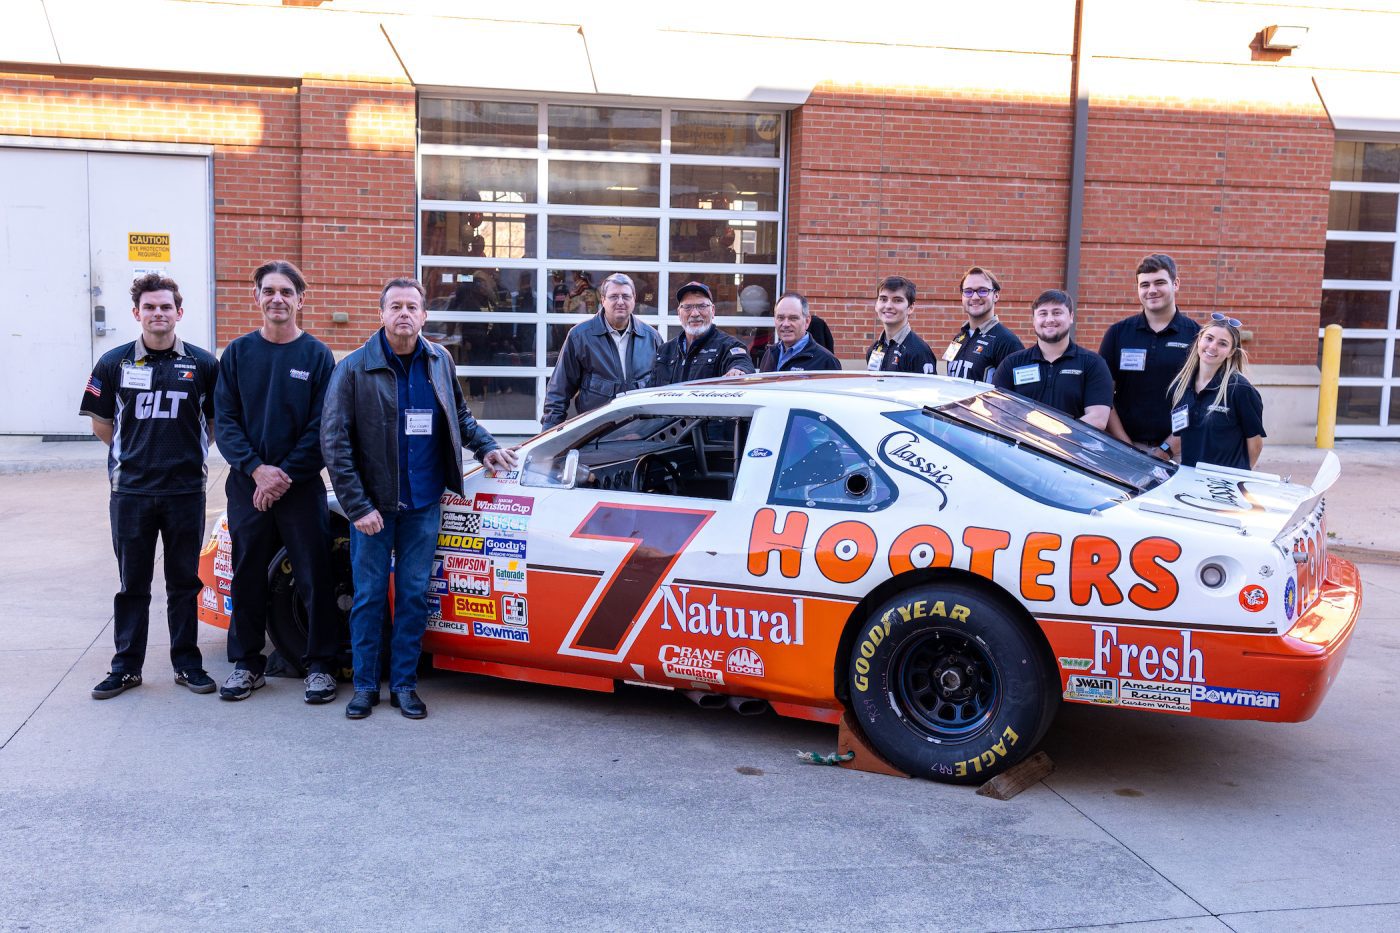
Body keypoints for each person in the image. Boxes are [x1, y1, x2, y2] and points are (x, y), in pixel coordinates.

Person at [322, 278, 519, 720]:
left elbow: (461, 417)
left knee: (412, 596)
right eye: (396, 306)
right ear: (382, 313)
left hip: (424, 504)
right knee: (369, 597)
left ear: (425, 315)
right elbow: (335, 444)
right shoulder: (353, 369)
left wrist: (486, 446)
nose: (404, 314)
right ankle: (366, 686)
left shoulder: (440, 360)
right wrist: (357, 507)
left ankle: (405, 686)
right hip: (373, 509)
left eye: (412, 306)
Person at [80, 274, 220, 700]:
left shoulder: (202, 364)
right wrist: (136, 455)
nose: (157, 314)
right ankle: (125, 667)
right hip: (131, 492)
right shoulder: (113, 363)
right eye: (149, 307)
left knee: (183, 583)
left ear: (179, 312)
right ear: (136, 313)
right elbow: (102, 424)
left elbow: (213, 425)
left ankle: (186, 664)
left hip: (184, 492)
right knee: (133, 584)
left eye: (165, 307)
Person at [214, 260, 339, 704]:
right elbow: (224, 422)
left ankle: (319, 665)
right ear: (257, 298)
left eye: (287, 292)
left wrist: (283, 474)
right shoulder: (237, 354)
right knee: (246, 573)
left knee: (312, 573)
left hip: (300, 486)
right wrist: (257, 470)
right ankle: (247, 664)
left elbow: (323, 427)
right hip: (248, 485)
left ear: (301, 300)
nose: (277, 299)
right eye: (269, 291)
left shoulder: (318, 357)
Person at [1099, 254, 1201, 455]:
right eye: (1144, 285)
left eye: (1160, 282)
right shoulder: (1117, 333)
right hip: (1123, 450)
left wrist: (1166, 450)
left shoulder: (1196, 335)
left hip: (1179, 451)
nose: (1151, 290)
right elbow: (1103, 397)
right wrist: (1125, 446)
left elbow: (1200, 400)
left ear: (1176, 284)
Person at [541, 272, 662, 428]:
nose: (620, 302)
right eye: (613, 296)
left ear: (634, 299)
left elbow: (662, 389)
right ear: (603, 299)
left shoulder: (651, 338)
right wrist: (549, 435)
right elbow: (559, 391)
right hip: (595, 434)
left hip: (639, 432)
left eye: (626, 296)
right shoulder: (580, 336)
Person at [992, 290, 1113, 429]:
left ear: (1071, 317)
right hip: (1021, 448)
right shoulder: (1012, 364)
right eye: (1043, 313)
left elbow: (1097, 419)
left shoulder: (1092, 364)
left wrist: (1054, 435)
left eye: (1057, 312)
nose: (1050, 319)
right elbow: (996, 411)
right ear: (1034, 320)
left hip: (1071, 449)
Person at [1166, 313, 1265, 469]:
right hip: (1189, 477)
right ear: (1199, 340)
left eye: (1223, 344)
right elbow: (1180, 432)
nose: (1212, 347)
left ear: (1231, 352)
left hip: (1223, 486)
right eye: (1209, 338)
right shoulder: (1181, 386)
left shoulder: (1240, 390)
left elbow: (1255, 445)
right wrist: (1162, 451)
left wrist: (1240, 478)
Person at [653, 282, 757, 384]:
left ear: (713, 310)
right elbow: (651, 389)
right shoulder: (665, 351)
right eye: (687, 307)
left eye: (702, 306)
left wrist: (737, 371)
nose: (694, 314)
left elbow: (741, 363)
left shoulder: (729, 347)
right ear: (679, 313)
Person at [943, 266, 1023, 382]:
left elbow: (1020, 392)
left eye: (983, 291)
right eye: (968, 292)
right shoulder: (958, 338)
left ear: (996, 295)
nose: (975, 297)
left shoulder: (1007, 342)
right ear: (962, 296)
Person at [864, 275, 936, 374]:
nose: (888, 306)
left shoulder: (919, 351)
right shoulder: (874, 349)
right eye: (883, 299)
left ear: (910, 308)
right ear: (876, 305)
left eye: (897, 300)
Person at [759, 292, 842, 373]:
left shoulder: (826, 361)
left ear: (807, 321)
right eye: (780, 318)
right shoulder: (770, 354)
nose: (785, 324)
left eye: (793, 318)